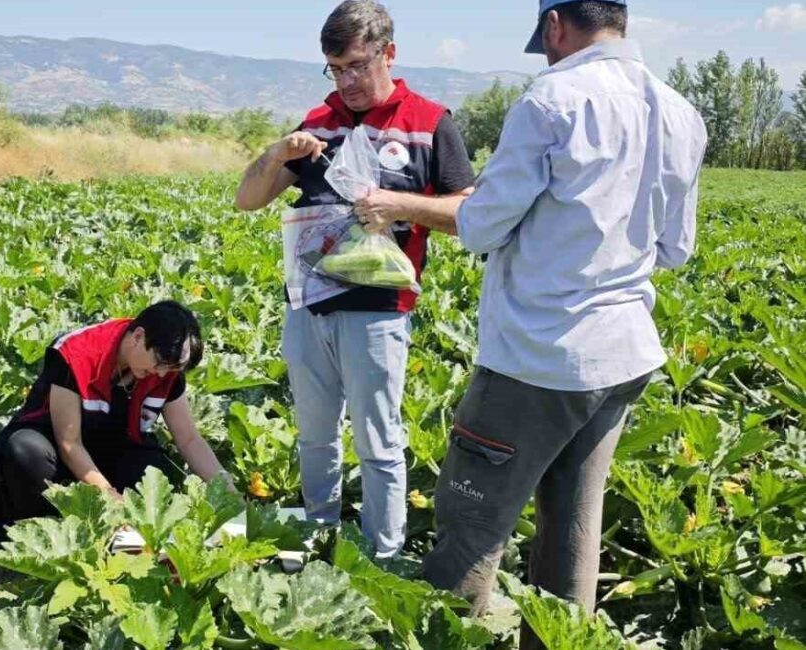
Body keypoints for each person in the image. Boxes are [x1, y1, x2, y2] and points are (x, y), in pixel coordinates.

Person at [353, 1, 706, 646]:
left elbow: (483, 224)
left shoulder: (553, 100)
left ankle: (443, 637)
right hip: (622, 354)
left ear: (554, 26)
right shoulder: (679, 111)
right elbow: (675, 249)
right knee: (574, 524)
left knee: (470, 522)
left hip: (538, 357)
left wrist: (404, 203)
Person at [235, 0, 475, 557]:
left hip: (379, 309)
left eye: (358, 66)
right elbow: (248, 200)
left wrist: (397, 205)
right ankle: (319, 539)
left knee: (379, 441)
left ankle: (382, 556)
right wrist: (277, 153)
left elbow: (468, 215)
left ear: (388, 53)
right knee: (315, 436)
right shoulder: (316, 124)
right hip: (308, 305)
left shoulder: (430, 122)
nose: (347, 81)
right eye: (335, 69)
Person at [0, 300, 230, 528]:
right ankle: (48, 531)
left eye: (172, 369)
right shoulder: (75, 353)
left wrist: (229, 494)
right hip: (57, 447)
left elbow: (188, 439)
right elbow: (69, 443)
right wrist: (110, 498)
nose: (162, 374)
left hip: (111, 446)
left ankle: (123, 537)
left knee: (154, 472)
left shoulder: (166, 369)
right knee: (25, 452)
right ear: (138, 336)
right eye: (159, 363)